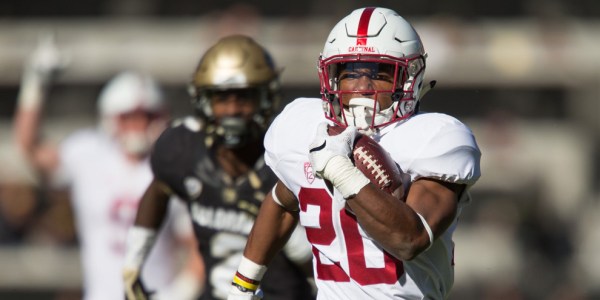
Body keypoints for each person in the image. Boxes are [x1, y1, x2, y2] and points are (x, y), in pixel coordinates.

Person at [227, 7, 482, 300]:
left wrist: (340, 171)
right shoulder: (307, 127)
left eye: (379, 73)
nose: (363, 87)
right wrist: (244, 285)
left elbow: (410, 240)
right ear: (330, 77)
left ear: (409, 78)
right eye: (349, 73)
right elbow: (281, 201)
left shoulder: (436, 137)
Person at [122, 35, 314, 300]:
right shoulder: (182, 149)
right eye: (222, 99)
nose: (233, 110)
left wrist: (290, 236)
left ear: (265, 98)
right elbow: (158, 190)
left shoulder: (288, 155)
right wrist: (133, 263)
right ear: (204, 100)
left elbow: (326, 260)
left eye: (244, 98)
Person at [13, 36, 204, 300]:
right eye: (129, 117)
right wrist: (35, 83)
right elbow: (30, 147)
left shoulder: (175, 165)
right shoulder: (88, 153)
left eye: (147, 116)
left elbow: (200, 246)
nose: (138, 125)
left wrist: (180, 293)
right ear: (110, 117)